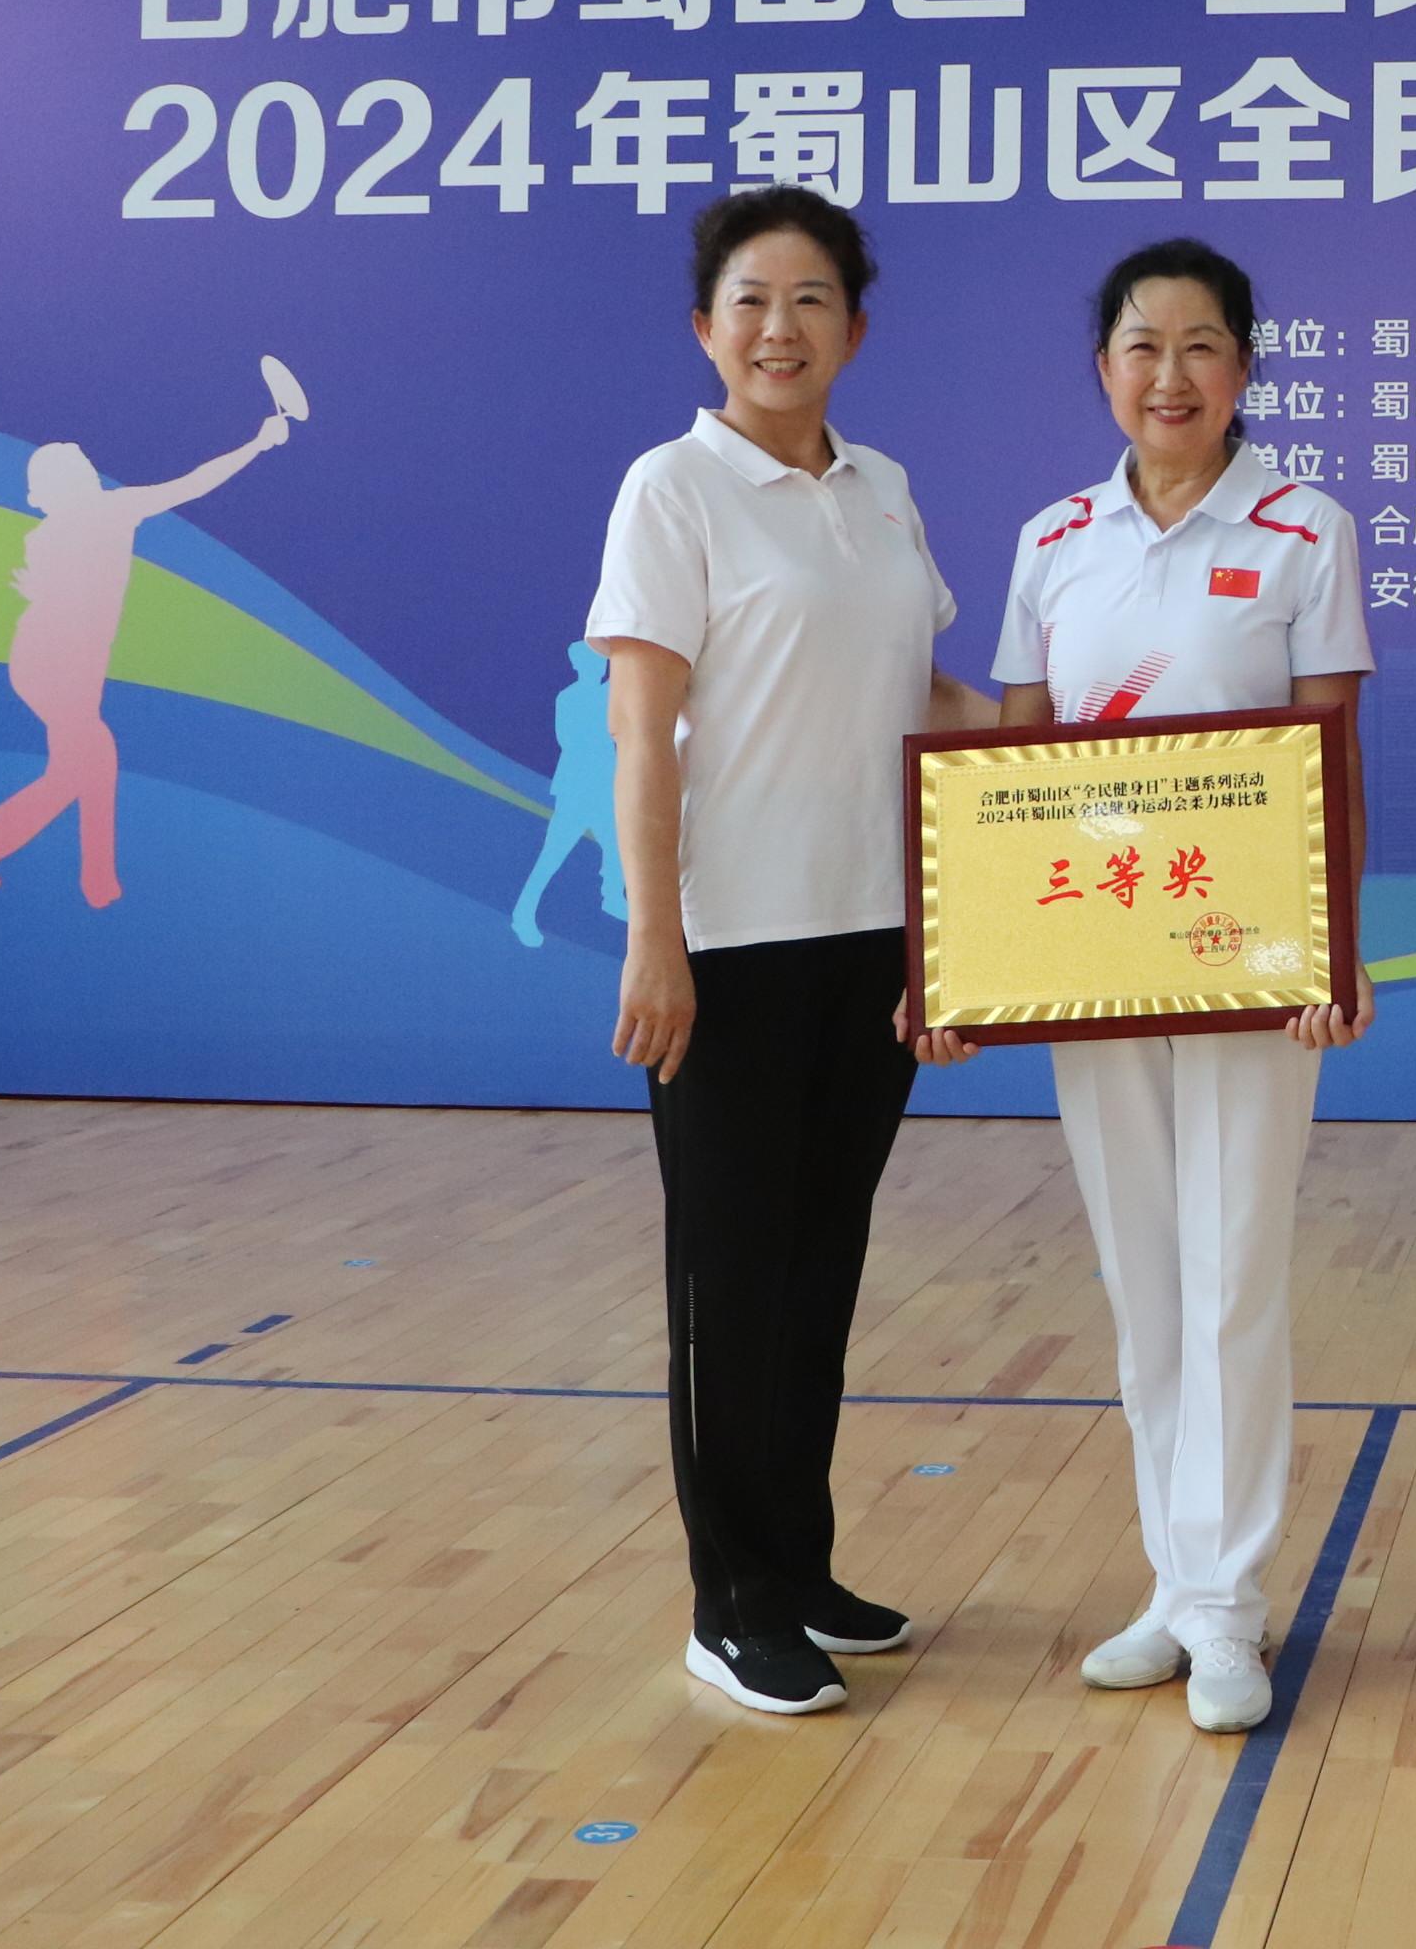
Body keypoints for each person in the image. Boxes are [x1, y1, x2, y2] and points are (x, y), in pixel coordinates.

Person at [919, 238, 1372, 1737]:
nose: (1169, 375)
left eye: (1200, 346)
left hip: (1253, 974)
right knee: (1144, 1284)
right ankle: (1176, 1586)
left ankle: (1231, 1606)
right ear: (1102, 367)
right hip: (1094, 962)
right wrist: (978, 965)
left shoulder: (1304, 527)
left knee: (1233, 1276)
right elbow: (1013, 772)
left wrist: (1328, 955)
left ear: (1244, 365)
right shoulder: (1055, 539)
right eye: (1141, 346)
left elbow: (1329, 752)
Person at [587, 184, 994, 1717]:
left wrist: (1085, 737)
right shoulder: (672, 489)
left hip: (871, 936)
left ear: (856, 331)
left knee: (822, 1265)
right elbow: (641, 734)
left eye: (812, 299)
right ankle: (731, 1599)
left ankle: (801, 1566)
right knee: (732, 1281)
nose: (781, 327)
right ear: (707, 328)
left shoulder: (881, 489)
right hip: (733, 949)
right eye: (752, 301)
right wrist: (659, 939)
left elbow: (921, 691)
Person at [0, 406, 291, 906]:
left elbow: (192, 484)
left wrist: (257, 443)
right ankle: (13, 858)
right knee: (86, 763)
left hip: (54, 662)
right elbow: (193, 484)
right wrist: (257, 443)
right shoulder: (109, 512)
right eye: (81, 470)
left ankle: (82, 877)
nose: (90, 472)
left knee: (87, 764)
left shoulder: (58, 531)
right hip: (59, 666)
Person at [509, 639, 629, 947]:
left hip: (603, 787)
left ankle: (612, 897)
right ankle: (523, 912)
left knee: (617, 845)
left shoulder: (607, 692)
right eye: (593, 662)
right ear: (579, 666)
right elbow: (570, 740)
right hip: (577, 789)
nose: (599, 667)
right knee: (553, 854)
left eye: (602, 662)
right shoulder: (571, 698)